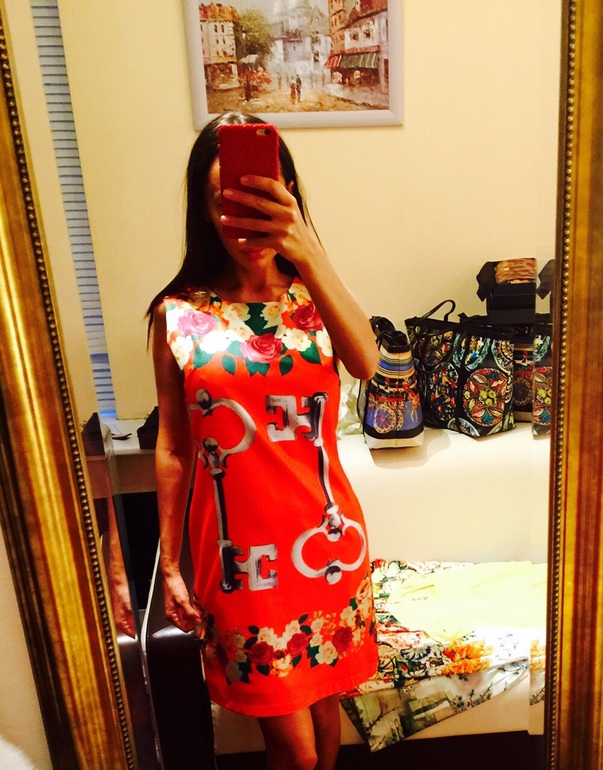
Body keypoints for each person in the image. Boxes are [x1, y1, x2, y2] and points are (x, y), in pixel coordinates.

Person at [146, 111, 379, 770]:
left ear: (288, 198)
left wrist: (306, 250)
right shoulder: (177, 314)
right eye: (224, 201)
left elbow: (365, 361)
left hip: (325, 544)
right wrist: (170, 566)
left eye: (261, 198)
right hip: (237, 562)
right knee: (294, 753)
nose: (241, 219)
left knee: (326, 713)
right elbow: (173, 446)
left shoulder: (315, 297)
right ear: (202, 210)